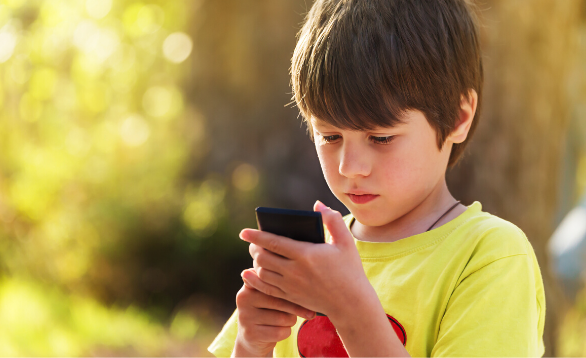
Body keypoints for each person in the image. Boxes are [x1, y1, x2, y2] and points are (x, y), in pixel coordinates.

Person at [208, 0, 546, 356]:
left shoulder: (489, 256)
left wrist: (349, 308)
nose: (349, 167)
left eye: (381, 138)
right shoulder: (313, 260)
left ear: (459, 117)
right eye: (330, 136)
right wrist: (250, 344)